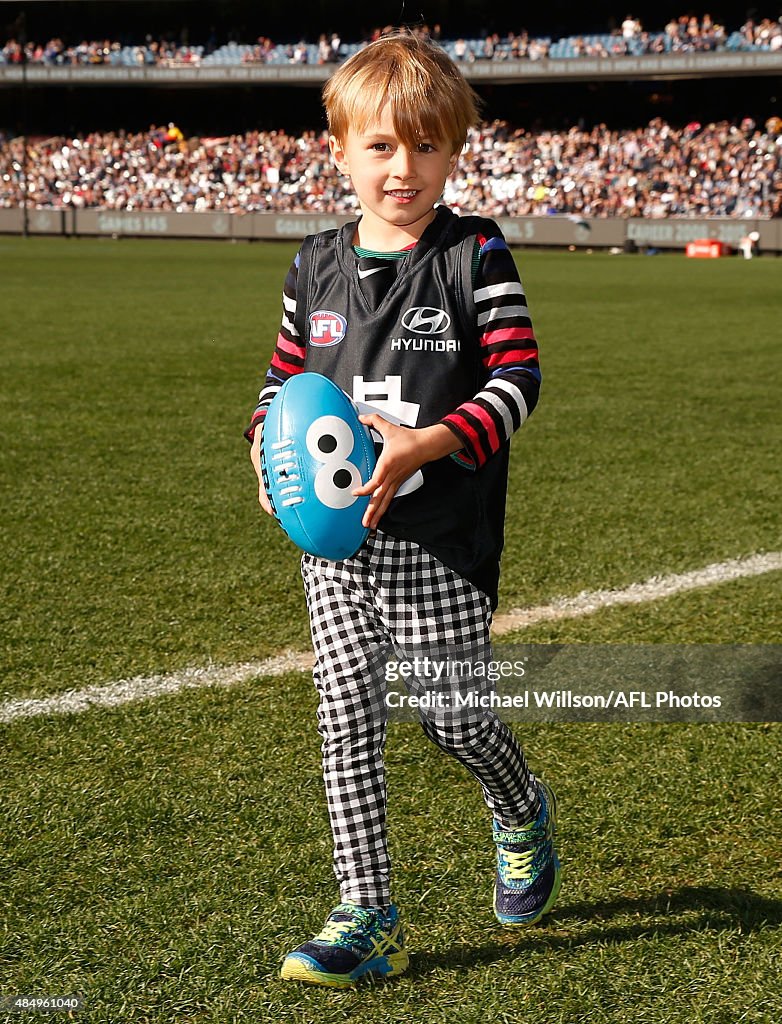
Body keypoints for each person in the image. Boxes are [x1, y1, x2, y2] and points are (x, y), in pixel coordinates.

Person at [245, 32, 559, 988]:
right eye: (380, 146)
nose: (403, 168)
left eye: (425, 146)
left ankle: (520, 809)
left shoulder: (475, 254)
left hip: (439, 541)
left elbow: (520, 378)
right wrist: (266, 448)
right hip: (338, 547)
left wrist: (433, 441)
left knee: (451, 717)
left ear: (454, 150)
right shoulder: (314, 266)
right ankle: (367, 914)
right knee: (345, 714)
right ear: (340, 149)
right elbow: (281, 383)